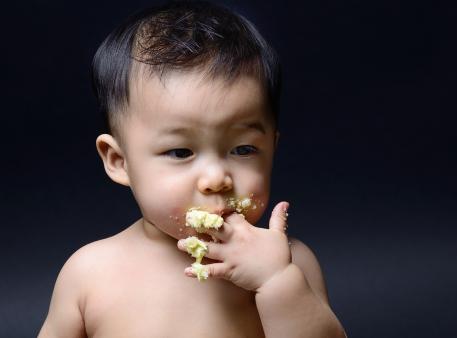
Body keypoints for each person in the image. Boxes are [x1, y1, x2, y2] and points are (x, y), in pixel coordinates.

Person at [38, 1, 346, 337]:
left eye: (243, 149)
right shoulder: (90, 273)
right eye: (181, 151)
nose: (216, 179)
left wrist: (277, 283)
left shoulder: (291, 264)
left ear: (272, 148)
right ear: (119, 161)